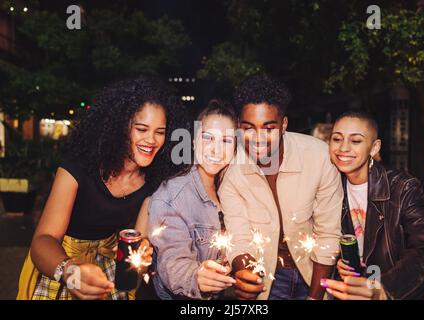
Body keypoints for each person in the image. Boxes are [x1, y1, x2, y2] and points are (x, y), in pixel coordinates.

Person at [17, 77, 185, 300]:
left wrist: (142, 256)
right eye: (142, 129)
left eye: (160, 132)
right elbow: (43, 239)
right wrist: (70, 272)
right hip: (59, 267)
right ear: (120, 127)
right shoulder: (78, 167)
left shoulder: (154, 182)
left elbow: (139, 242)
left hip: (108, 276)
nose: (151, 140)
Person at [218, 75, 343, 300]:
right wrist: (245, 273)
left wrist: (315, 298)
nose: (258, 138)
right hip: (266, 281)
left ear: (283, 125)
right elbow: (239, 236)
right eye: (248, 128)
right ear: (238, 126)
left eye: (268, 128)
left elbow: (328, 234)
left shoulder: (318, 157)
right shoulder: (230, 170)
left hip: (314, 273)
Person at [321, 110, 424, 300]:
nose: (343, 148)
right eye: (337, 139)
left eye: (355, 141)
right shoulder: (330, 186)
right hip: (348, 292)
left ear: (374, 147)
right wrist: (337, 261)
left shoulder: (402, 187)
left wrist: (384, 287)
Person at [148, 100, 238, 299]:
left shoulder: (234, 190)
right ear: (193, 140)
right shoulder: (171, 196)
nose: (216, 150)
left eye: (226, 140)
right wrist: (195, 277)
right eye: (208, 138)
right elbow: (172, 260)